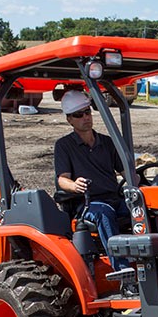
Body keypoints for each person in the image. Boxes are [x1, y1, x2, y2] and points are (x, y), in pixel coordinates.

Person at [54, 89, 130, 272]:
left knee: (143, 209)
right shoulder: (64, 146)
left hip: (114, 197)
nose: (85, 117)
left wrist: (142, 188)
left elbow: (127, 172)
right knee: (104, 214)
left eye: (87, 112)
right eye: (78, 115)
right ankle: (122, 270)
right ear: (69, 120)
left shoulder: (107, 142)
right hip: (88, 203)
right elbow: (62, 180)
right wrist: (74, 185)